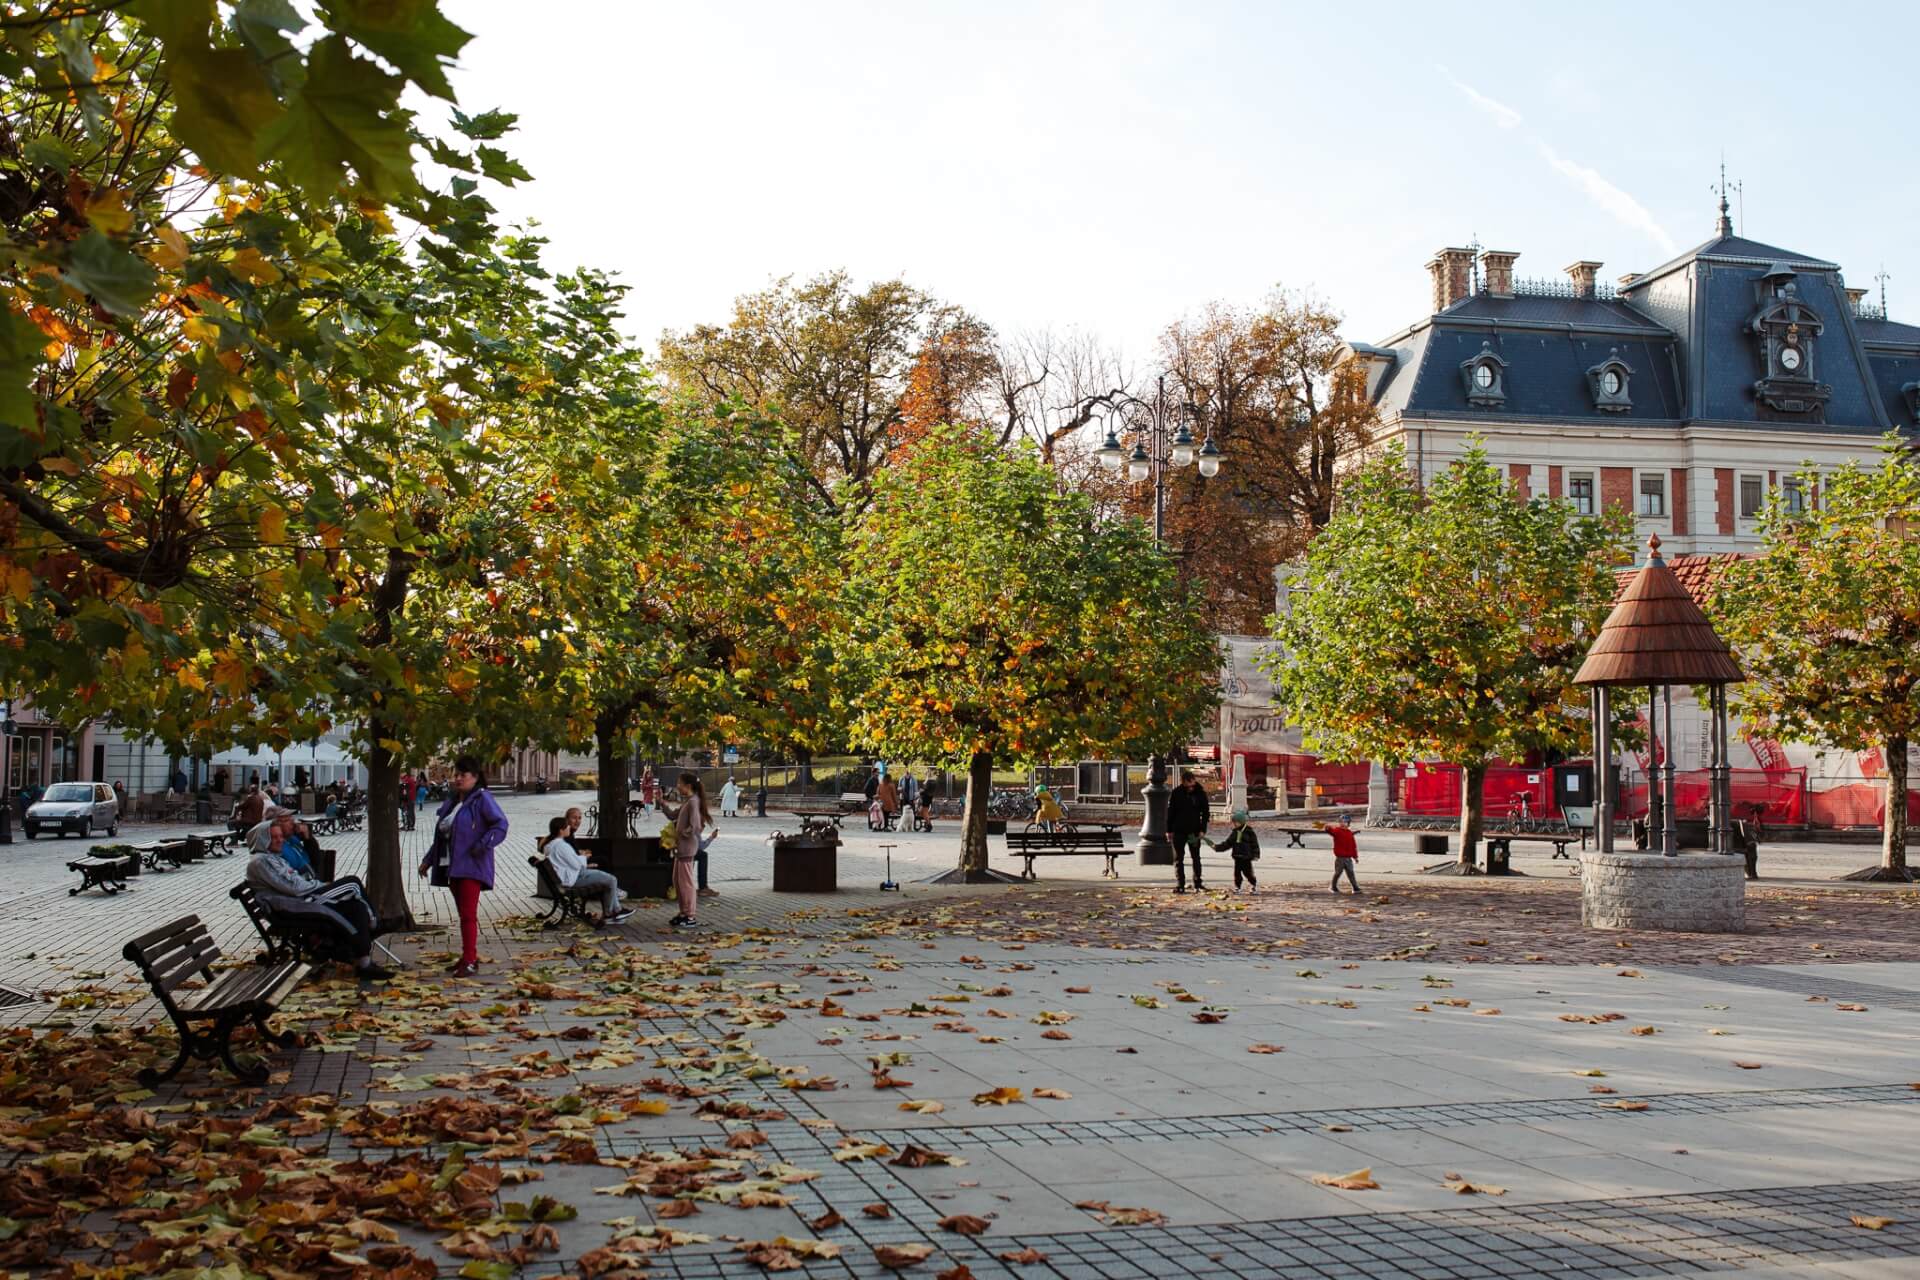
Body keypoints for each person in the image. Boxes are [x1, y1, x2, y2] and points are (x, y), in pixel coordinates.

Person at [246, 822, 391, 980]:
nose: (280, 840)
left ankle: (364, 963)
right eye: (273, 837)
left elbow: (295, 880)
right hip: (295, 904)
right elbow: (294, 887)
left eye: (280, 836)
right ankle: (376, 923)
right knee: (352, 883)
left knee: (354, 906)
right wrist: (321, 886)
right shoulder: (261, 861)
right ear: (262, 839)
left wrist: (321, 886)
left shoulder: (271, 857)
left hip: (301, 899)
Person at [419, 755, 509, 976]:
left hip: (471, 865)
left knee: (468, 914)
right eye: (455, 775)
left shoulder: (482, 798)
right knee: (463, 914)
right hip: (451, 865)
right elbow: (441, 836)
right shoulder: (452, 802)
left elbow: (500, 825)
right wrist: (428, 860)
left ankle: (469, 960)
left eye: (463, 775)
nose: (458, 779)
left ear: (475, 777)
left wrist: (482, 845)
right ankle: (468, 957)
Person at [540, 814, 630, 923]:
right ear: (561, 830)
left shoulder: (549, 845)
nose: (569, 828)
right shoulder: (561, 846)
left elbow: (566, 862)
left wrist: (583, 862)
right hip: (573, 879)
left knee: (607, 879)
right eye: (567, 826)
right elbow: (576, 864)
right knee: (611, 880)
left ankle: (615, 910)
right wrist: (585, 857)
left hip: (568, 877)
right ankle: (610, 913)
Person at [662, 771, 709, 929]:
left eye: (679, 784)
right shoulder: (688, 802)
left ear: (688, 786)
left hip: (687, 848)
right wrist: (662, 803)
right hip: (681, 848)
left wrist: (683, 833)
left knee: (686, 883)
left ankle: (690, 915)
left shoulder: (693, 802)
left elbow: (696, 825)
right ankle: (683, 912)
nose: (677, 786)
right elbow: (672, 815)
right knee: (678, 881)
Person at [1166, 769, 1212, 893]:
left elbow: (1206, 813)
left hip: (1194, 830)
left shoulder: (1200, 793)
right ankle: (1180, 884)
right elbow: (1171, 812)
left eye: (1192, 784)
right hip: (1179, 829)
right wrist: (1169, 830)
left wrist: (1203, 829)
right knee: (1178, 858)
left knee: (1196, 857)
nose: (1191, 787)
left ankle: (1198, 883)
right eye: (1188, 785)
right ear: (1184, 783)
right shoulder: (1177, 793)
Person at [1210, 808, 1262, 894]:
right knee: (1237, 874)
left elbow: (1255, 844)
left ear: (1241, 822)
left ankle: (1253, 885)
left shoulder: (1249, 832)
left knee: (1248, 873)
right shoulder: (1235, 833)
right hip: (1237, 856)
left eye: (1236, 822)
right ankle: (1238, 887)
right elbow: (1228, 843)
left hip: (1246, 857)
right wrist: (1217, 847)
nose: (1234, 824)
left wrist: (1256, 855)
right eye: (1234, 822)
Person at [1326, 812, 1361, 894]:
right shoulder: (1337, 831)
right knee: (1338, 873)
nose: (1342, 824)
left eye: (1345, 822)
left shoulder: (1349, 833)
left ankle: (1355, 887)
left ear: (1348, 824)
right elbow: (1332, 832)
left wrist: (1355, 857)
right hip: (1340, 858)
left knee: (1351, 873)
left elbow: (1353, 846)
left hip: (1348, 858)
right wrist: (1328, 828)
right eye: (1341, 822)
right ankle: (1333, 886)